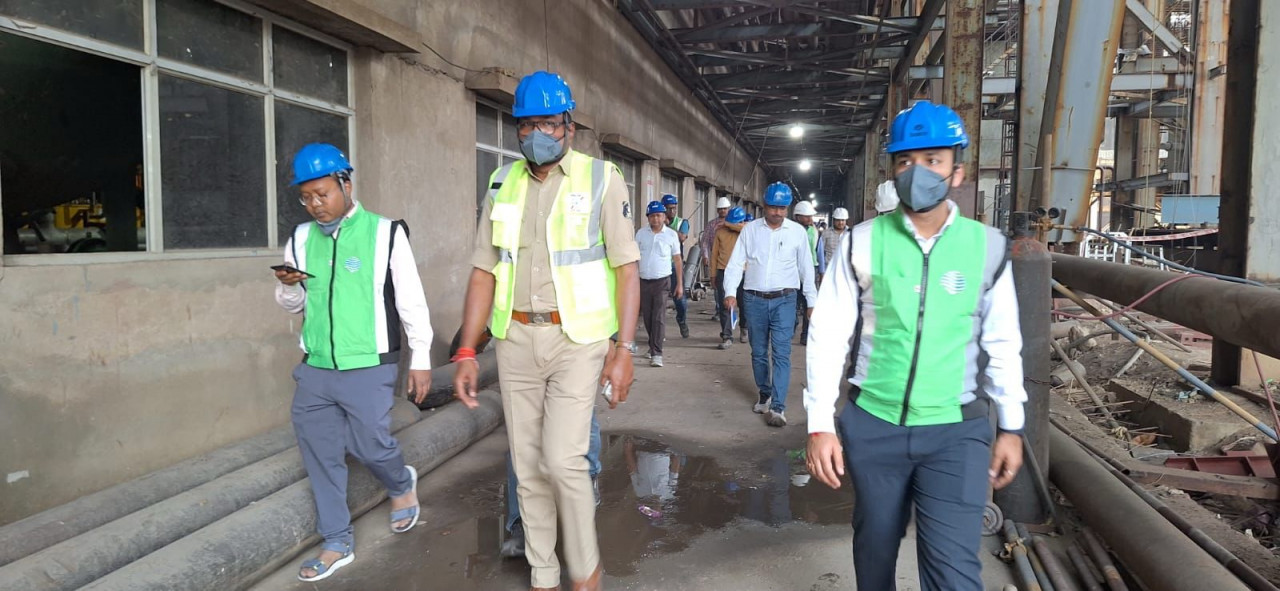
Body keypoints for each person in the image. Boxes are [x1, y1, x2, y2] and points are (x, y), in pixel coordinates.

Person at [803, 100, 1027, 591]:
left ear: (957, 171)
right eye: (905, 161)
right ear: (893, 171)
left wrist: (1011, 424)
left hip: (956, 430)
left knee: (953, 570)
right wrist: (820, 422)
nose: (918, 171)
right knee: (875, 548)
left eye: (933, 160)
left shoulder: (986, 246)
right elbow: (829, 332)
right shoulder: (862, 242)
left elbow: (1003, 339)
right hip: (874, 424)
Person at [453, 71, 639, 591]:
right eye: (526, 124)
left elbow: (627, 268)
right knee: (528, 465)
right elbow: (484, 270)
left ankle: (585, 571)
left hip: (577, 340)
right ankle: (543, 573)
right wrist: (466, 349)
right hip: (514, 341)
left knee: (563, 460)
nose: (537, 134)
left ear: (569, 127)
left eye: (548, 124)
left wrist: (624, 349)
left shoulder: (602, 179)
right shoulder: (501, 182)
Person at [274, 143, 434, 582]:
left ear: (346, 183)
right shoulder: (300, 239)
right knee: (320, 454)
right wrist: (288, 285)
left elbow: (411, 301)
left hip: (369, 362)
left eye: (322, 193)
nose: (315, 204)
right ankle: (337, 540)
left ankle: (400, 483)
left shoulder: (385, 233)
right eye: (306, 197)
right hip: (316, 366)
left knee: (369, 444)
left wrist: (421, 357)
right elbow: (293, 305)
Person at [723, 183, 818, 428]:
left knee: (781, 352)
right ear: (764, 205)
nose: (777, 212)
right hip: (753, 299)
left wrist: (811, 301)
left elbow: (806, 268)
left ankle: (778, 407)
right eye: (773, 207)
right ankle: (764, 393)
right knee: (758, 352)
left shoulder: (797, 233)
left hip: (785, 300)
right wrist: (730, 292)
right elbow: (736, 263)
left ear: (788, 208)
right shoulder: (750, 231)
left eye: (782, 208)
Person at [637, 200, 684, 367]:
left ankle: (657, 353)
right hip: (643, 281)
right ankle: (652, 345)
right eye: (652, 216)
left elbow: (677, 260)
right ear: (648, 217)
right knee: (647, 317)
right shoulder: (641, 234)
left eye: (658, 215)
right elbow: (635, 258)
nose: (655, 219)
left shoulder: (671, 235)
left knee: (658, 316)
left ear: (664, 217)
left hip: (662, 282)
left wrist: (680, 284)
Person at [709, 206, 748, 349]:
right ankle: (727, 336)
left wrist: (729, 224)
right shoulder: (720, 232)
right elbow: (714, 255)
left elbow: (744, 228)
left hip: (743, 272)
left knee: (744, 303)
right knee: (725, 305)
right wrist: (713, 274)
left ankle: (744, 328)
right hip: (723, 271)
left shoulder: (746, 231)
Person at [662, 194, 691, 339]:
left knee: (680, 299)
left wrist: (666, 226)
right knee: (658, 301)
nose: (672, 211)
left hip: (675, 266)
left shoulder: (682, 223)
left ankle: (681, 319)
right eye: (668, 209)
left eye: (674, 208)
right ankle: (658, 332)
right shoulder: (657, 222)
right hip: (661, 266)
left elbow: (682, 237)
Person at [792, 200, 819, 344]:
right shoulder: (790, 230)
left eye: (810, 216)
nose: (810, 219)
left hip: (810, 269)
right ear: (798, 217)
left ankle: (806, 334)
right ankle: (791, 329)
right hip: (793, 271)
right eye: (807, 216)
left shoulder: (813, 230)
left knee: (809, 302)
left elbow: (817, 250)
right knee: (792, 303)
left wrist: (819, 270)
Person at [702, 196, 733, 321]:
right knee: (717, 286)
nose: (723, 211)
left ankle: (730, 310)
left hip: (731, 261)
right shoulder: (712, 225)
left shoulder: (734, 224)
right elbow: (705, 241)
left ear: (729, 209)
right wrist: (705, 256)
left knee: (730, 286)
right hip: (716, 260)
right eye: (720, 209)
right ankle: (719, 310)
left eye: (725, 209)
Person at [817, 207, 850, 279]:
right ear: (833, 220)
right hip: (829, 270)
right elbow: (820, 254)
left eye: (843, 220)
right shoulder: (826, 233)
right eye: (838, 220)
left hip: (846, 270)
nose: (840, 223)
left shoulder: (850, 233)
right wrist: (822, 272)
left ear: (846, 220)